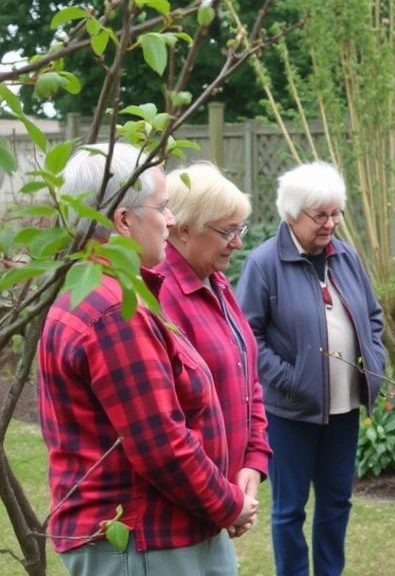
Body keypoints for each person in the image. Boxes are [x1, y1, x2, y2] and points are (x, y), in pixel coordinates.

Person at [37, 142, 258, 576]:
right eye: (163, 207)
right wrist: (229, 504)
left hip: (164, 534)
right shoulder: (112, 311)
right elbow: (161, 444)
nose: (172, 221)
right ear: (123, 220)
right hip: (144, 540)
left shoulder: (108, 291)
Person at [236, 160, 387, 576]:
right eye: (320, 215)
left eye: (335, 213)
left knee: (337, 503)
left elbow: (373, 317)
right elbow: (248, 337)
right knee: (289, 510)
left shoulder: (346, 257)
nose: (330, 223)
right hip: (290, 414)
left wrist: (374, 359)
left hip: (344, 409)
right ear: (291, 214)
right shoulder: (264, 263)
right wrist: (290, 381)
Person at [155, 162, 272, 540]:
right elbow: (169, 423)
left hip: (219, 501)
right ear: (183, 230)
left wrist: (252, 464)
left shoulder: (217, 282)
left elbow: (247, 377)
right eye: (227, 230)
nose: (238, 242)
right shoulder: (162, 297)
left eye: (241, 228)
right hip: (183, 512)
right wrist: (224, 501)